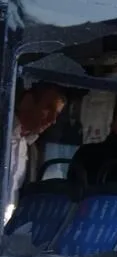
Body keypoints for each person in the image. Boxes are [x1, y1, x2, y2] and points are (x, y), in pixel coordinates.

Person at [5, 82, 67, 223]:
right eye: (48, 109)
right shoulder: (6, 134)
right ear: (27, 102)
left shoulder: (29, 148)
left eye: (56, 114)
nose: (52, 120)